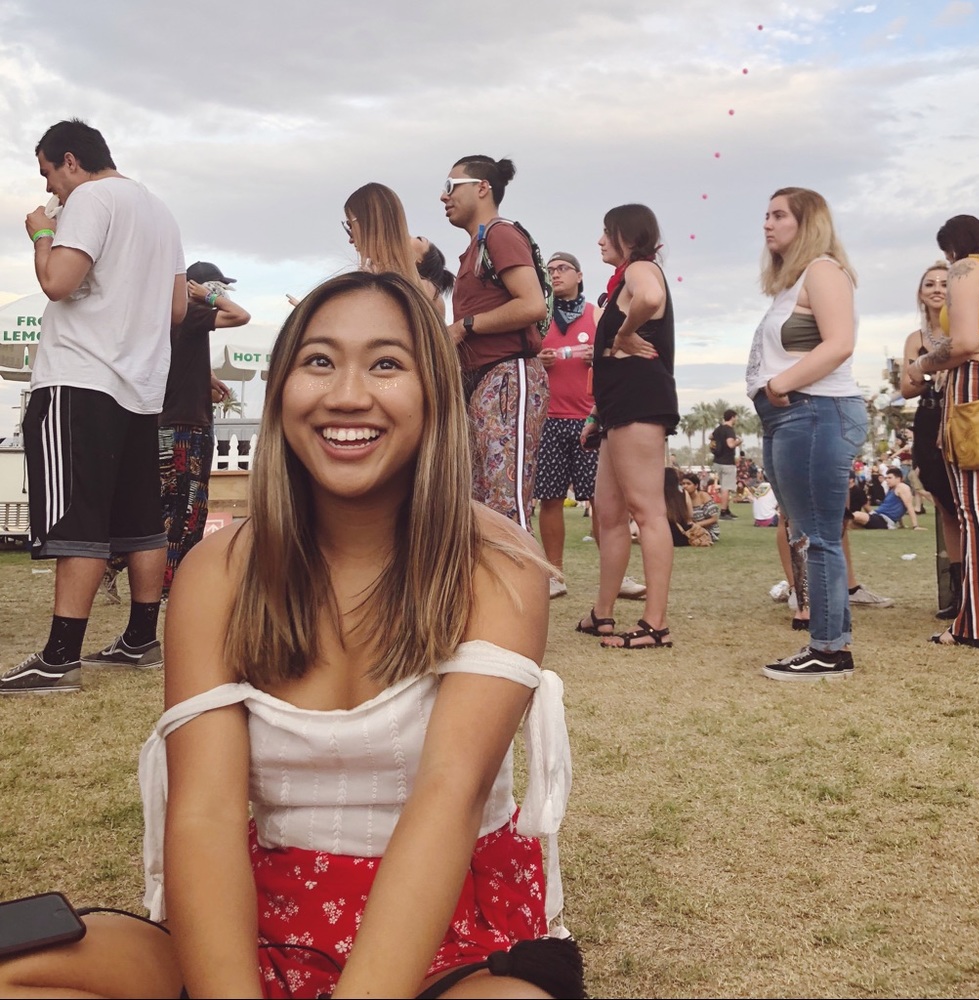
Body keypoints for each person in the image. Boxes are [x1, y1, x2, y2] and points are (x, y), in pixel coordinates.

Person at [0, 272, 583, 998]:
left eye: (386, 363)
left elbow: (449, 797)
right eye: (318, 361)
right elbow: (206, 813)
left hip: (443, 935)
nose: (347, 395)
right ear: (281, 393)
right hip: (257, 915)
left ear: (435, 394)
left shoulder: (497, 566)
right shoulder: (218, 572)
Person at [0, 119, 186, 695]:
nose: (49, 188)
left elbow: (57, 281)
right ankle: (140, 639)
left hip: (79, 377)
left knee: (76, 517)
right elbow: (177, 309)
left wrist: (40, 233)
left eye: (48, 173)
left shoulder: (89, 198)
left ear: (71, 161)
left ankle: (59, 659)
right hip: (140, 387)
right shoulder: (160, 212)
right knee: (139, 520)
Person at [746, 187, 867, 680]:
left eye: (779, 215)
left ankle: (828, 650)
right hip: (791, 416)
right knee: (807, 532)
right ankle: (831, 641)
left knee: (817, 535)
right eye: (767, 215)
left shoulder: (823, 270)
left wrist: (779, 384)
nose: (767, 224)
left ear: (808, 222)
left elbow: (839, 344)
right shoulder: (792, 283)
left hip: (814, 411)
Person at [103, 262, 250, 603]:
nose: (220, 291)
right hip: (186, 428)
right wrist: (207, 297)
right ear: (196, 286)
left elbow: (176, 363)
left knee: (170, 505)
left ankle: (119, 560)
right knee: (184, 508)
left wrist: (206, 378)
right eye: (215, 285)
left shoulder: (168, 320)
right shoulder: (193, 313)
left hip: (172, 424)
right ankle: (167, 582)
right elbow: (240, 315)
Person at [578, 204, 679, 650]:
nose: (601, 240)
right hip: (617, 406)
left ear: (628, 236)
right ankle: (603, 612)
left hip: (639, 400)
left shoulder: (641, 268)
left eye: (607, 232)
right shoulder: (623, 280)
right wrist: (597, 415)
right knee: (609, 514)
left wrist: (623, 334)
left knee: (646, 511)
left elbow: (651, 298)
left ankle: (656, 623)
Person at [907, 215, 979, 649]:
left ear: (954, 247)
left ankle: (976, 624)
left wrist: (922, 364)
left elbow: (963, 343)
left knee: (978, 510)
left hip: (978, 388)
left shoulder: (968, 269)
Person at [442, 154, 549, 529]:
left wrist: (465, 326)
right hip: (485, 380)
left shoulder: (500, 234)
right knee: (482, 502)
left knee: (506, 504)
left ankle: (518, 568)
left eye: (451, 186)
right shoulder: (478, 245)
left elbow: (532, 304)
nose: (443, 196)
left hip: (508, 376)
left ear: (482, 188)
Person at [899, 261, 963, 618]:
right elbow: (907, 387)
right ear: (921, 293)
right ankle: (959, 593)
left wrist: (925, 367)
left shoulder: (967, 329)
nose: (938, 288)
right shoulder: (916, 338)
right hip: (928, 420)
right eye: (930, 284)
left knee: (972, 506)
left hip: (963, 418)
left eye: (944, 283)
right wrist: (930, 368)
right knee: (945, 507)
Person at [536, 252, 598, 598]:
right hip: (549, 420)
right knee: (550, 499)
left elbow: (616, 357)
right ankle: (554, 575)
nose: (556, 274)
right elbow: (523, 359)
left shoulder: (595, 315)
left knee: (602, 501)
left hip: (589, 420)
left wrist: (598, 357)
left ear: (579, 275)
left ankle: (615, 574)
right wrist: (537, 359)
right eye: (550, 270)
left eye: (563, 269)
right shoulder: (539, 318)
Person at [343, 182, 454, 318]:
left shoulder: (425, 292)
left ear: (370, 222)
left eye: (350, 225)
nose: (350, 238)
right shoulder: (362, 283)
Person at [851, 467, 924, 530]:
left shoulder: (902, 487)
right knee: (850, 523)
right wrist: (901, 525)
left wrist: (915, 526)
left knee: (856, 515)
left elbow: (909, 506)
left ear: (898, 479)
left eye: (890, 478)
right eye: (886, 478)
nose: (887, 480)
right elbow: (899, 507)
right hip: (877, 516)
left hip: (883, 520)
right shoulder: (892, 489)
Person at [710, 409, 742, 519]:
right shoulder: (729, 430)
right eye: (736, 417)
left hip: (717, 461)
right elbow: (730, 444)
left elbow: (710, 436)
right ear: (732, 417)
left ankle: (727, 509)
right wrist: (739, 441)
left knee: (724, 486)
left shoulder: (718, 429)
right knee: (726, 488)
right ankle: (723, 511)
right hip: (727, 462)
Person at [680, 470, 721, 541]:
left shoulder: (703, 496)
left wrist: (697, 525)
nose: (685, 486)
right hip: (691, 528)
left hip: (708, 529)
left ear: (696, 485)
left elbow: (714, 518)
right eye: (683, 484)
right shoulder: (682, 498)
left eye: (688, 484)